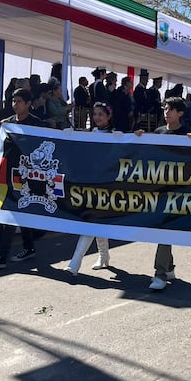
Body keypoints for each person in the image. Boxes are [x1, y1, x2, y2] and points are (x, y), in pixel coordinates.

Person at [135, 96, 191, 290]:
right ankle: (168, 267)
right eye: (165, 108)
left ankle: (160, 274)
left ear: (180, 113)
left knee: (164, 230)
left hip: (179, 192)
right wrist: (139, 137)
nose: (166, 112)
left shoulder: (189, 133)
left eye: (170, 109)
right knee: (163, 229)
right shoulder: (158, 132)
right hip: (160, 190)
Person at [0, 88, 45, 269]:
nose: (15, 105)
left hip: (27, 175)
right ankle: (29, 246)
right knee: (15, 210)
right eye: (13, 101)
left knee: (13, 211)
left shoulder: (36, 125)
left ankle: (2, 255)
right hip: (7, 173)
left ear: (28, 104)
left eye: (19, 101)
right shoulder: (6, 124)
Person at [64, 102, 114, 275]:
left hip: (108, 185)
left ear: (108, 116)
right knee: (95, 221)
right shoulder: (90, 134)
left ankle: (75, 262)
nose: (97, 117)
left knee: (92, 222)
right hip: (91, 184)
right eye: (95, 114)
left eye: (101, 114)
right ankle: (104, 256)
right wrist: (69, 137)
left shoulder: (116, 135)